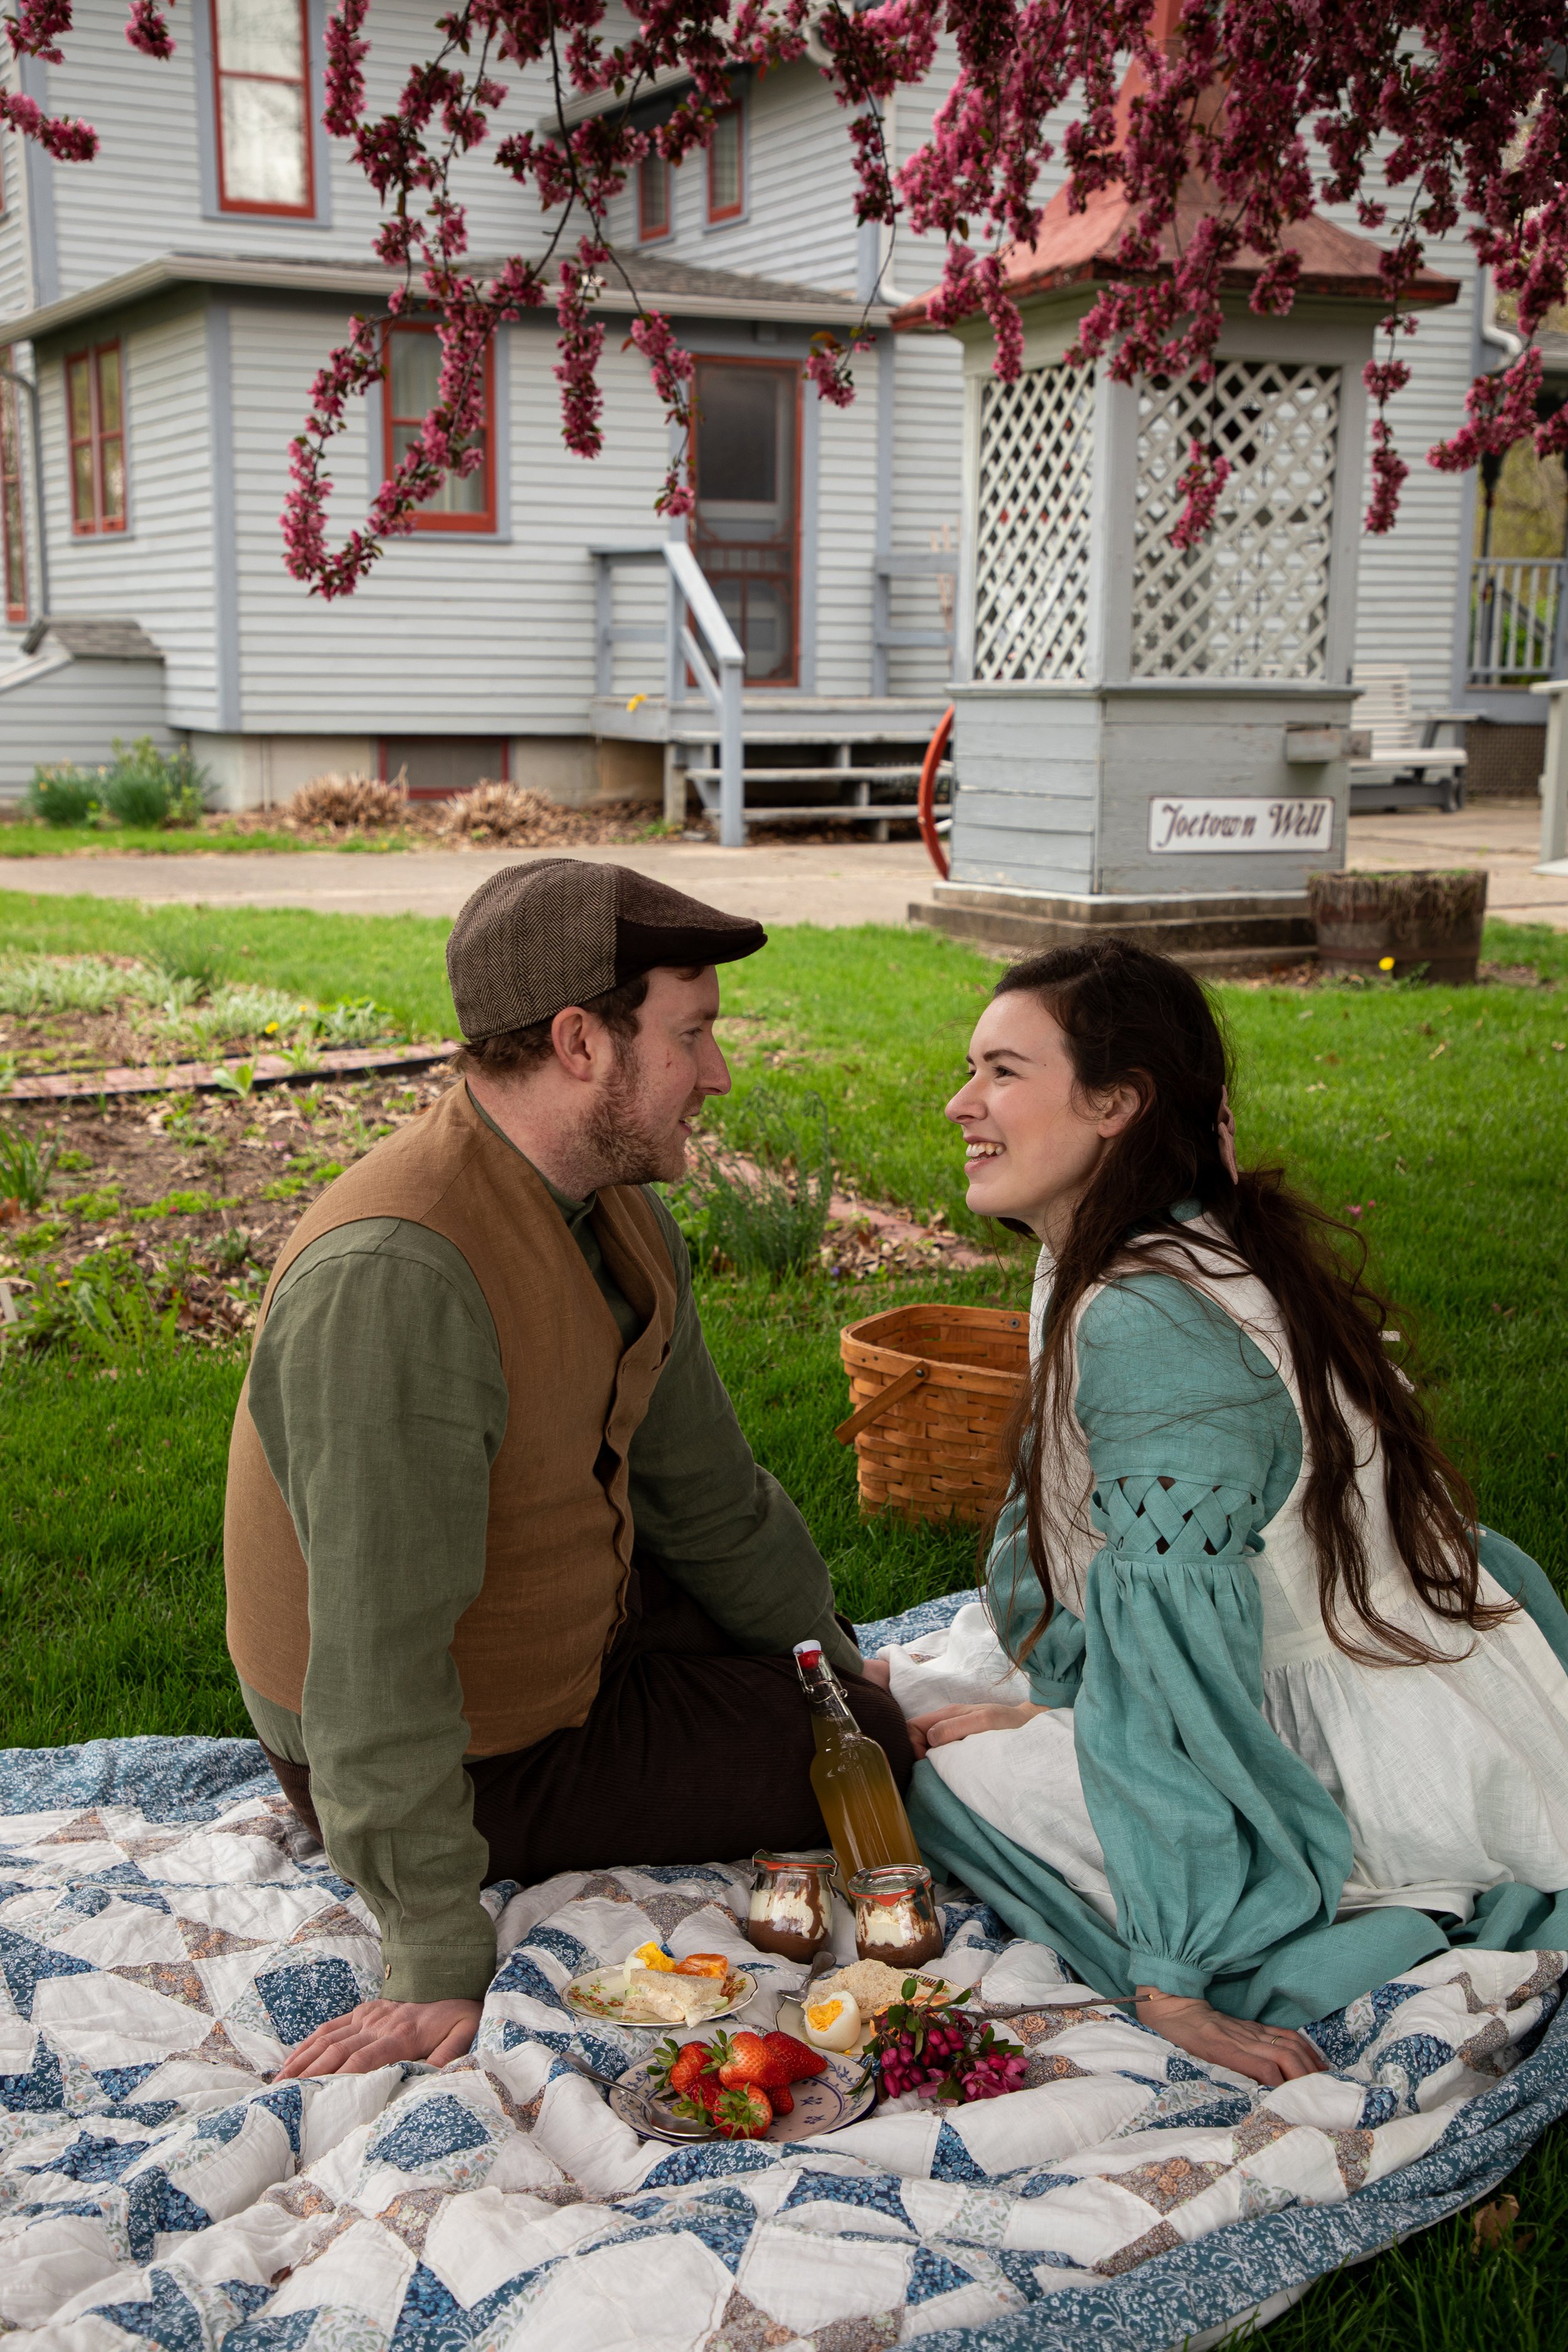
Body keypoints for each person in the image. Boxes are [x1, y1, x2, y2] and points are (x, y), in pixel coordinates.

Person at [224, 858, 910, 2080]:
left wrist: (831, 1665)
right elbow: (377, 1660)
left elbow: (712, 1501)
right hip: (461, 1747)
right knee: (870, 1751)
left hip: (552, 1624)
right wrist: (435, 1957)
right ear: (580, 1041)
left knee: (843, 1707)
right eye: (690, 1036)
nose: (718, 1074)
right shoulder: (399, 1283)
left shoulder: (609, 1205)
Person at [865, 939, 1568, 2088]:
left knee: (937, 1791)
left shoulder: (1147, 1323)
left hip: (1327, 1752)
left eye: (1001, 1070)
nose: (962, 1102)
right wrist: (1039, 1701)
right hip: (1343, 1659)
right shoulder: (1157, 1238)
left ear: (1117, 1105)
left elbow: (1178, 1668)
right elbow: (1086, 1539)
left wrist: (1174, 1972)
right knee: (950, 1709)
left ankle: (1297, 1913)